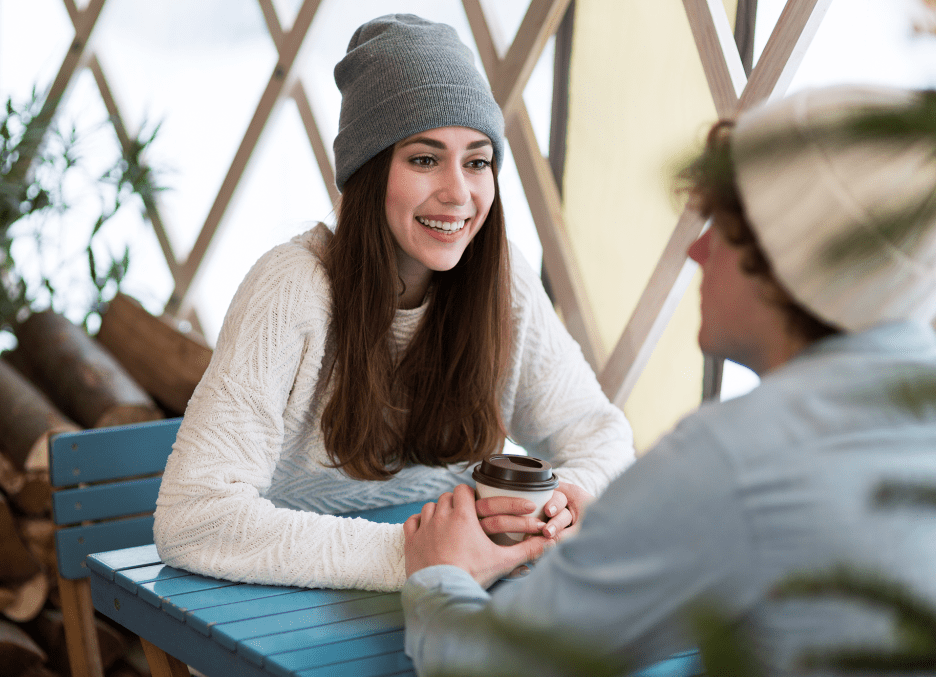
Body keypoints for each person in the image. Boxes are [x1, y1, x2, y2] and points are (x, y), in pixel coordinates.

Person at [401, 85, 936, 674]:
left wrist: (440, 572)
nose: (698, 251)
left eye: (723, 228)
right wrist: (618, 541)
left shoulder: (737, 458)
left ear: (788, 257)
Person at [152, 13, 634, 593]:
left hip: (445, 605)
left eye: (477, 160)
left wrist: (568, 499)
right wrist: (421, 554)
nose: (459, 193)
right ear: (369, 171)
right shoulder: (291, 289)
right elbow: (192, 518)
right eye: (424, 159)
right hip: (282, 614)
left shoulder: (502, 282)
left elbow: (599, 434)